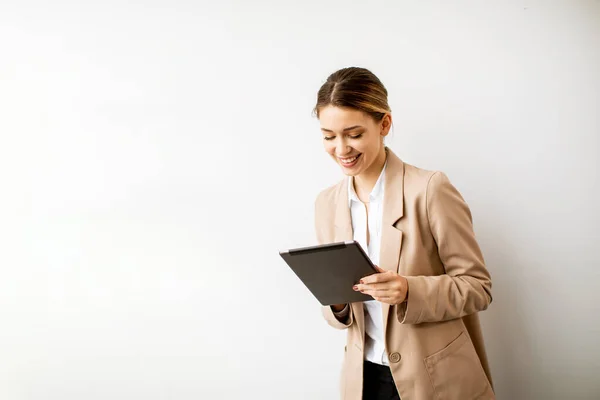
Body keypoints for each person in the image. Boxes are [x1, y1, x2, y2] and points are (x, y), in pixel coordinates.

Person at [313, 67, 495, 400]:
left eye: (353, 134)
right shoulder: (327, 204)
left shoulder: (429, 189)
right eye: (328, 136)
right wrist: (337, 302)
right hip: (363, 380)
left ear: (384, 124)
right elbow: (338, 316)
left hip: (435, 380)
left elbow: (478, 288)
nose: (341, 148)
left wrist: (410, 290)